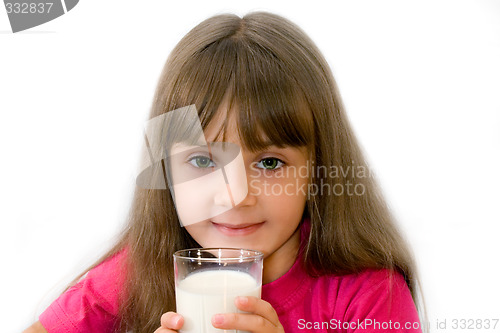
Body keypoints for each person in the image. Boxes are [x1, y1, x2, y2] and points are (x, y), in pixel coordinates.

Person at [23, 11, 424, 333]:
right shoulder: (138, 271)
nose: (235, 195)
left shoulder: (369, 297)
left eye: (269, 163)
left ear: (318, 170)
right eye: (203, 161)